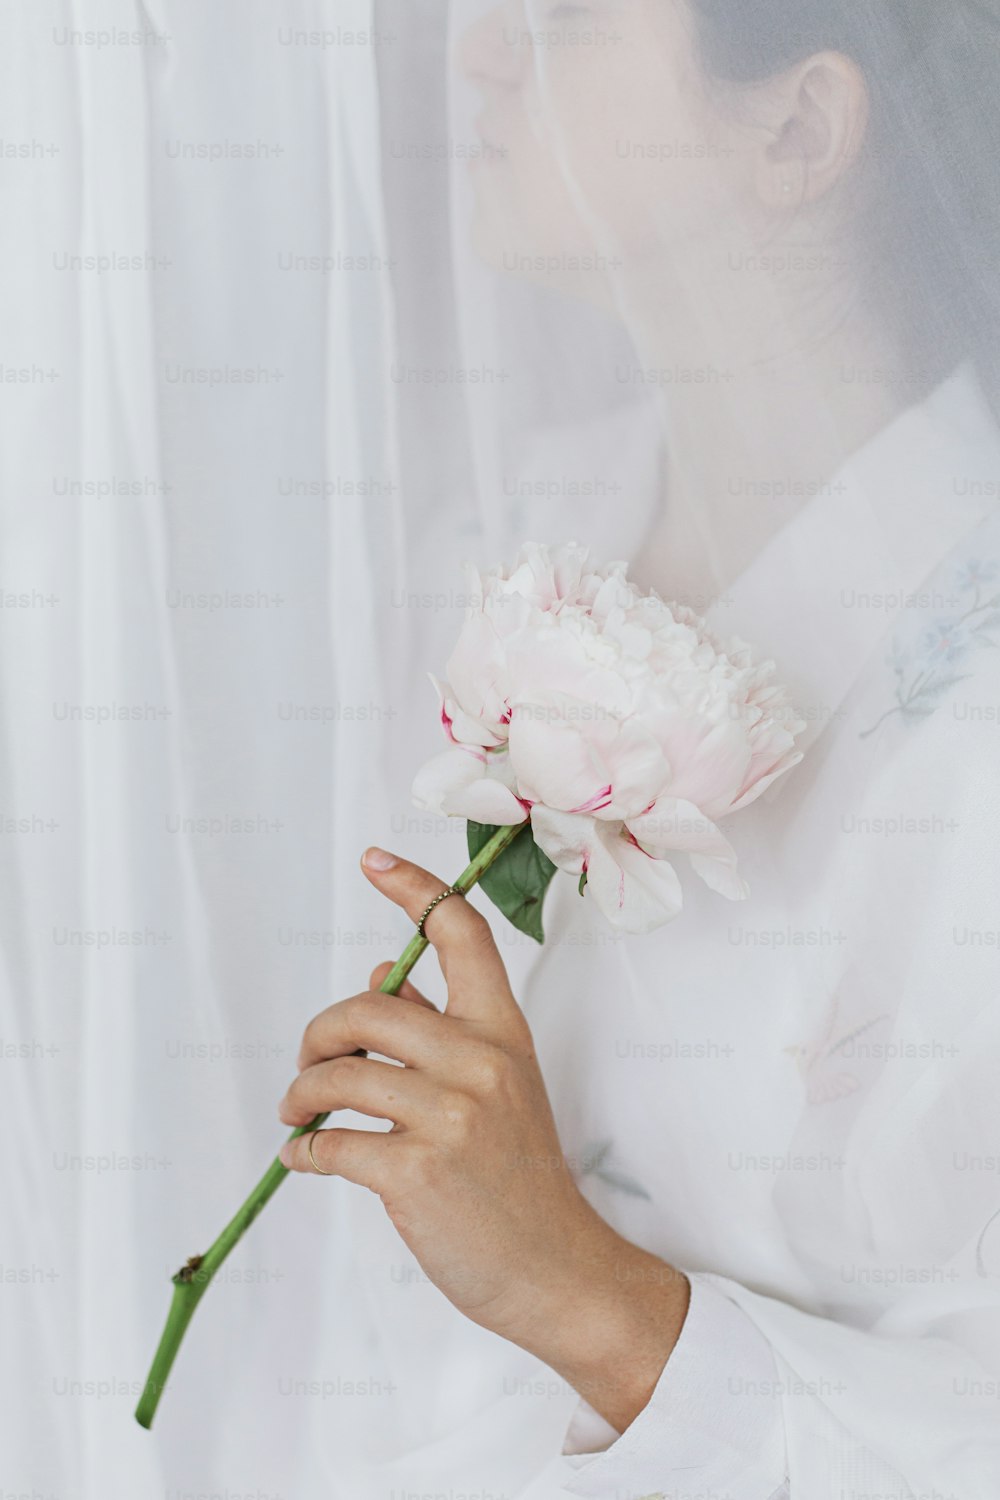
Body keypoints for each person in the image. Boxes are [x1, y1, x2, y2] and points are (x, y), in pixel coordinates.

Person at [280, 3, 1000, 1494]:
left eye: (570, 18)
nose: (480, 51)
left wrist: (575, 1289)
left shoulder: (970, 705)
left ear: (798, 129)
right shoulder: (511, 529)